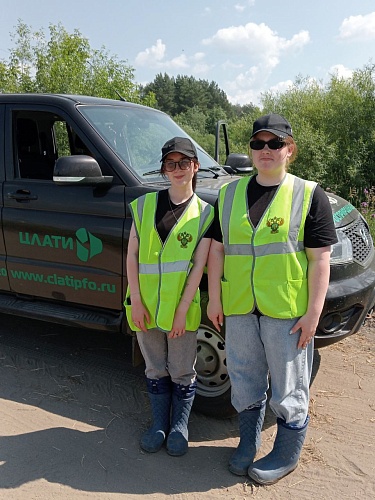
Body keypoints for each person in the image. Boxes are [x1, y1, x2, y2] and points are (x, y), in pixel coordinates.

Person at [207, 113, 337, 484]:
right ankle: (247, 443)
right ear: (250, 150)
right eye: (258, 144)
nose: (266, 150)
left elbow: (320, 259)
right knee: (244, 377)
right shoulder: (229, 194)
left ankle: (286, 452)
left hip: (286, 310)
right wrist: (214, 299)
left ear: (289, 150)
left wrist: (314, 313)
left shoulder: (309, 195)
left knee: (288, 384)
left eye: (275, 143)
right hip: (239, 306)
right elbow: (216, 251)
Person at [125, 137, 213, 456]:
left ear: (195, 166)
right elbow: (132, 256)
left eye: (184, 163)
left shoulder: (205, 214)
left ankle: (180, 427)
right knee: (155, 368)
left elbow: (198, 268)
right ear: (164, 169)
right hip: (144, 307)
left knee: (181, 370)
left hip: (181, 312)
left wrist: (181, 312)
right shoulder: (145, 206)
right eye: (171, 164)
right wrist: (135, 300)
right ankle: (159, 424)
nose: (178, 169)